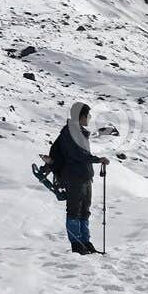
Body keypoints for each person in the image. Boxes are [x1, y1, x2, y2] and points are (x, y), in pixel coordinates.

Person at [47, 102, 109, 254]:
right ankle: (76, 243)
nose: (89, 118)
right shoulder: (70, 133)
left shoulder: (78, 132)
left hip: (84, 176)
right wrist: (97, 160)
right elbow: (77, 155)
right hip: (74, 176)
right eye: (88, 115)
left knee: (84, 210)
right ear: (82, 116)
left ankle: (85, 241)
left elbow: (82, 155)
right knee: (74, 210)